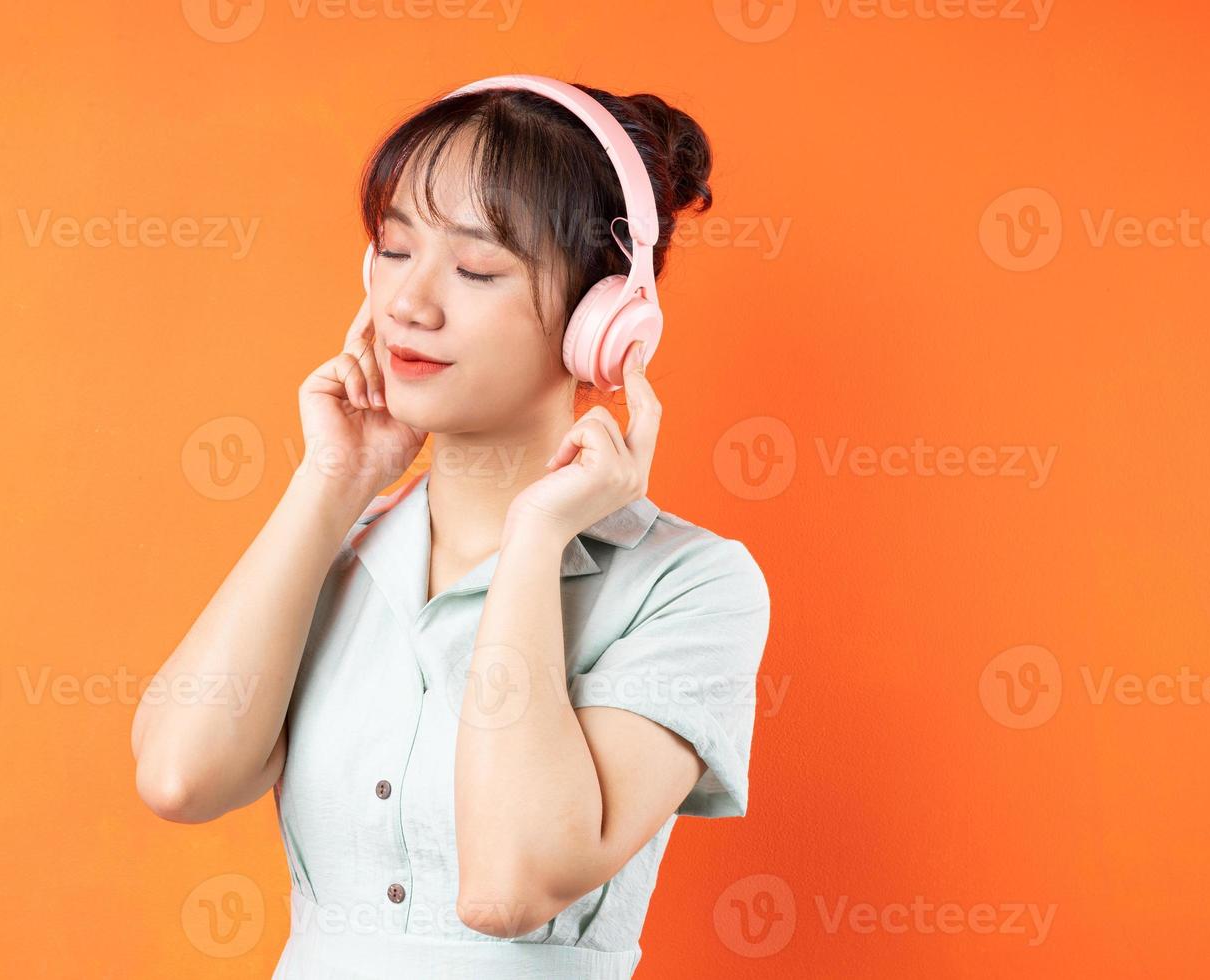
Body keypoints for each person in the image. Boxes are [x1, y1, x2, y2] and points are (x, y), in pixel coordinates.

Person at [130, 76, 772, 979]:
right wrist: (331, 485)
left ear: (605, 323)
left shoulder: (689, 585)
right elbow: (179, 779)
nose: (409, 304)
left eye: (475, 269)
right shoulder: (340, 549)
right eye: (393, 250)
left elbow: (509, 887)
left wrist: (537, 539)